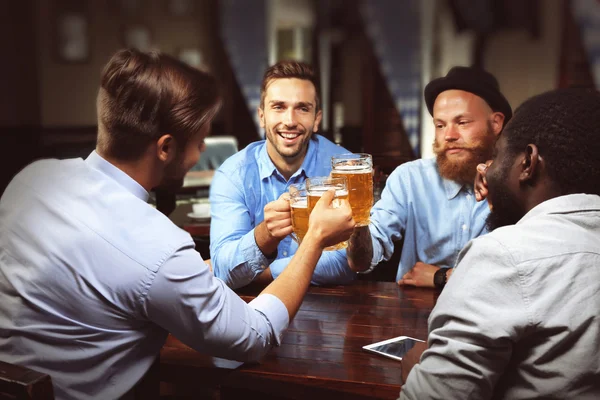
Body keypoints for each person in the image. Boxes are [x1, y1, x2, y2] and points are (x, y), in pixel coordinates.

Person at [0, 49, 355, 400]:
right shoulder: (159, 247)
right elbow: (255, 337)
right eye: (200, 141)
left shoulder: (32, 180)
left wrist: (207, 268)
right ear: (166, 148)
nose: (202, 152)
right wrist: (315, 239)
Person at [400, 87, 600, 399]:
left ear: (528, 162)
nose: (488, 170)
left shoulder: (503, 257)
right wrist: (505, 197)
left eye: (500, 156)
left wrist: (414, 368)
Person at [347, 66, 512, 289]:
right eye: (440, 125)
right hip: (416, 317)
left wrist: (441, 277)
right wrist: (356, 222)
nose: (449, 135)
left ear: (495, 123)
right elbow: (362, 261)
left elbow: (518, 271)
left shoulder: (517, 182)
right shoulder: (409, 179)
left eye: (462, 123)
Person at [210, 60, 355, 289]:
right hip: (250, 311)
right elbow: (224, 266)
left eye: (302, 108)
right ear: (262, 117)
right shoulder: (232, 174)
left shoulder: (345, 168)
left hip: (329, 308)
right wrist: (264, 235)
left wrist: (261, 273)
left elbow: (348, 262)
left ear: (316, 119)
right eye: (278, 107)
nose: (290, 121)